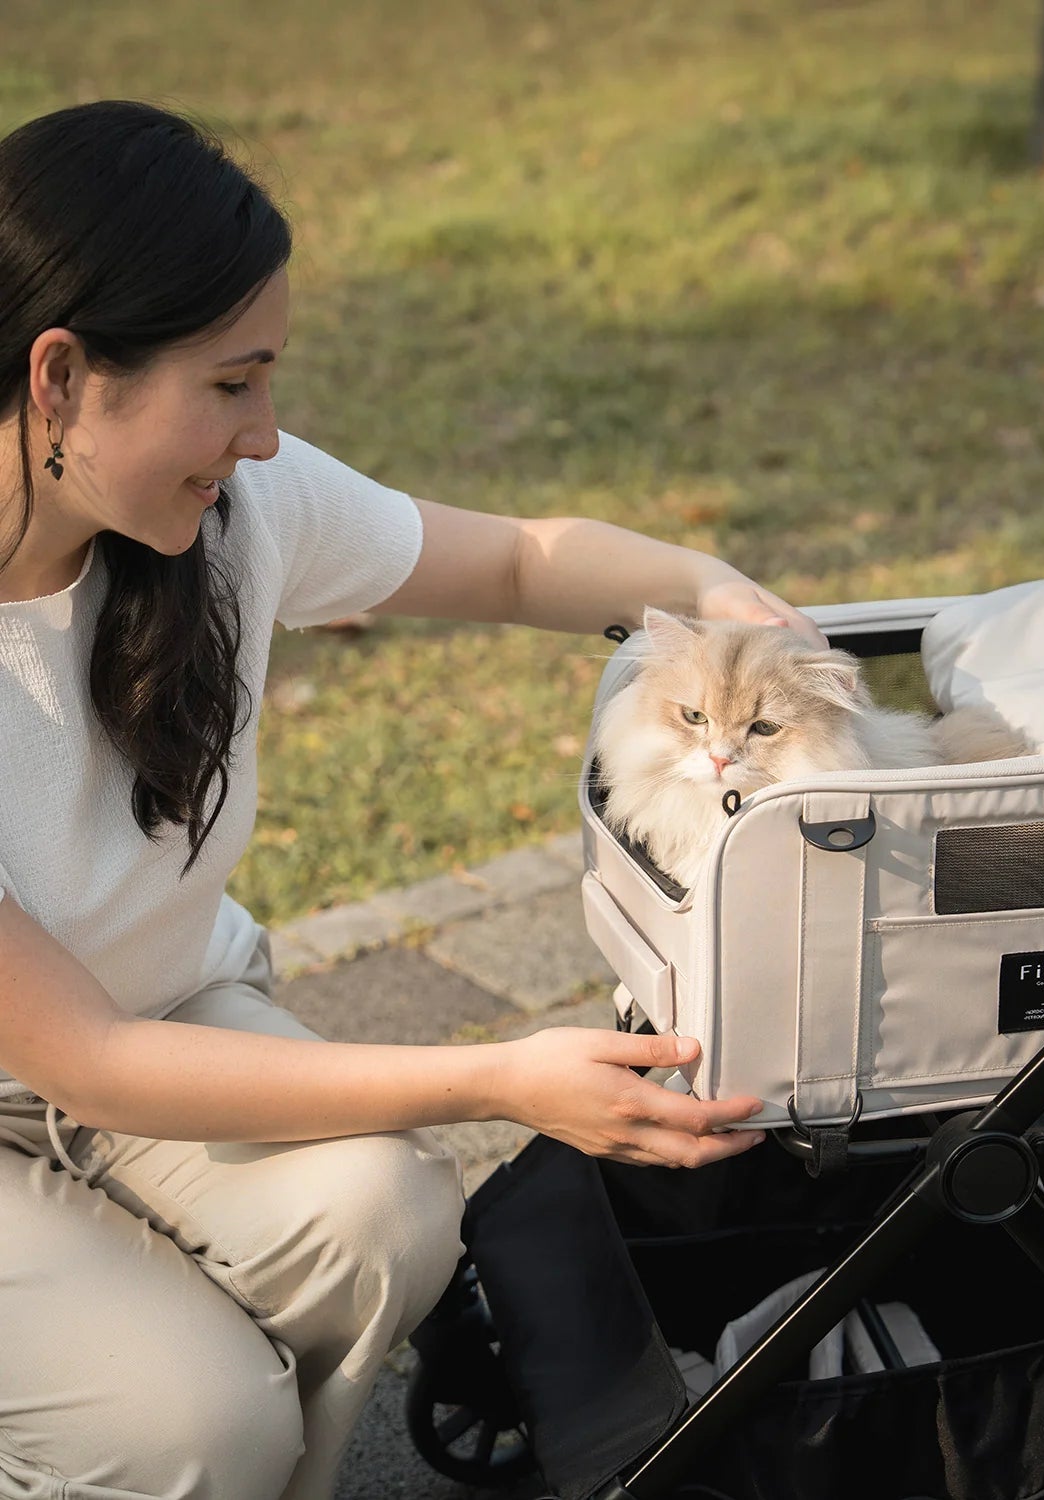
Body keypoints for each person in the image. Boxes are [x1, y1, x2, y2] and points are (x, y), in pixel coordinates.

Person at [0, 100, 825, 1500]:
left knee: (386, 1217)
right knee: (188, 1428)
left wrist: (710, 595)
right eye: (233, 383)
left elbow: (510, 564)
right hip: (84, 1058)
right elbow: (82, 1059)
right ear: (63, 376)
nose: (264, 437)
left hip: (163, 1017)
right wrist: (499, 1076)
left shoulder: (221, 519)